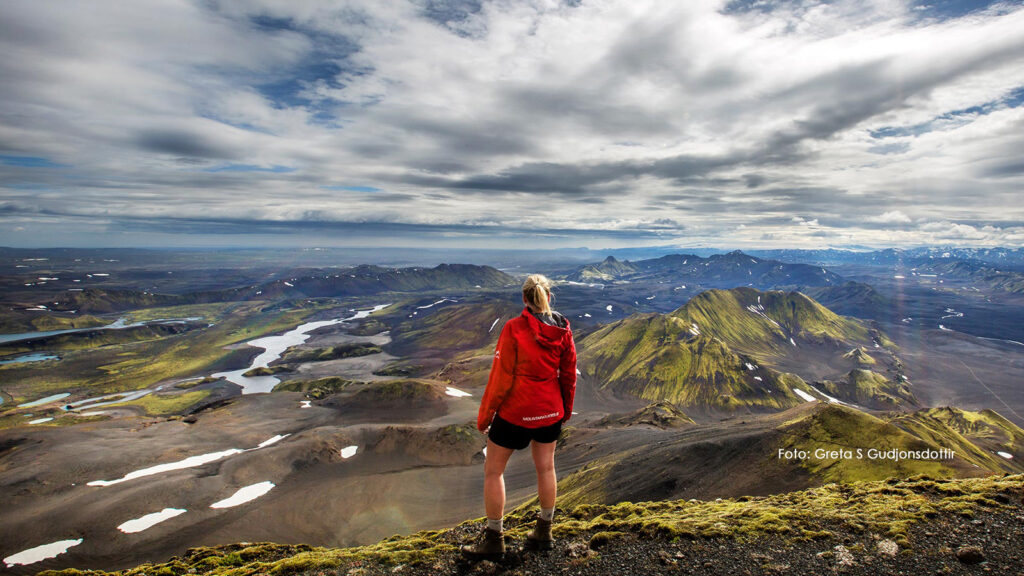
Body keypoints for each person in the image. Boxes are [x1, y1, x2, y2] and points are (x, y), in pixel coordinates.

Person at [461, 274, 577, 560]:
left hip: (516, 413)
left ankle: (493, 539)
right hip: (550, 411)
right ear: (548, 298)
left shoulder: (514, 329)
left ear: (524, 299)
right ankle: (544, 531)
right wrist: (564, 410)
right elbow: (568, 374)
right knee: (546, 468)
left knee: (494, 471)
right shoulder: (563, 329)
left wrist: (486, 416)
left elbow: (501, 378)